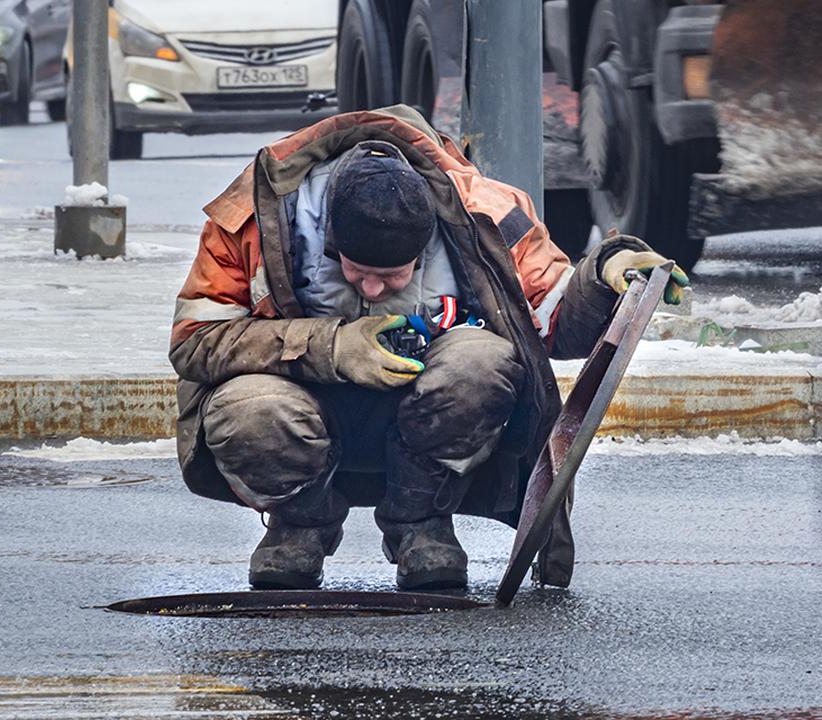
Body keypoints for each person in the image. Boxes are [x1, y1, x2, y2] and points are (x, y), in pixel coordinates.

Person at [170, 107, 687, 591]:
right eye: (356, 271)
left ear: (424, 247)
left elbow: (555, 323)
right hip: (301, 405)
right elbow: (195, 343)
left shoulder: (486, 213)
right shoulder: (255, 216)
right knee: (249, 407)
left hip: (428, 418)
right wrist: (333, 345)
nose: (372, 290)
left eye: (392, 275)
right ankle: (298, 529)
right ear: (329, 239)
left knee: (481, 361)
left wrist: (604, 273)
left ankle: (422, 527)